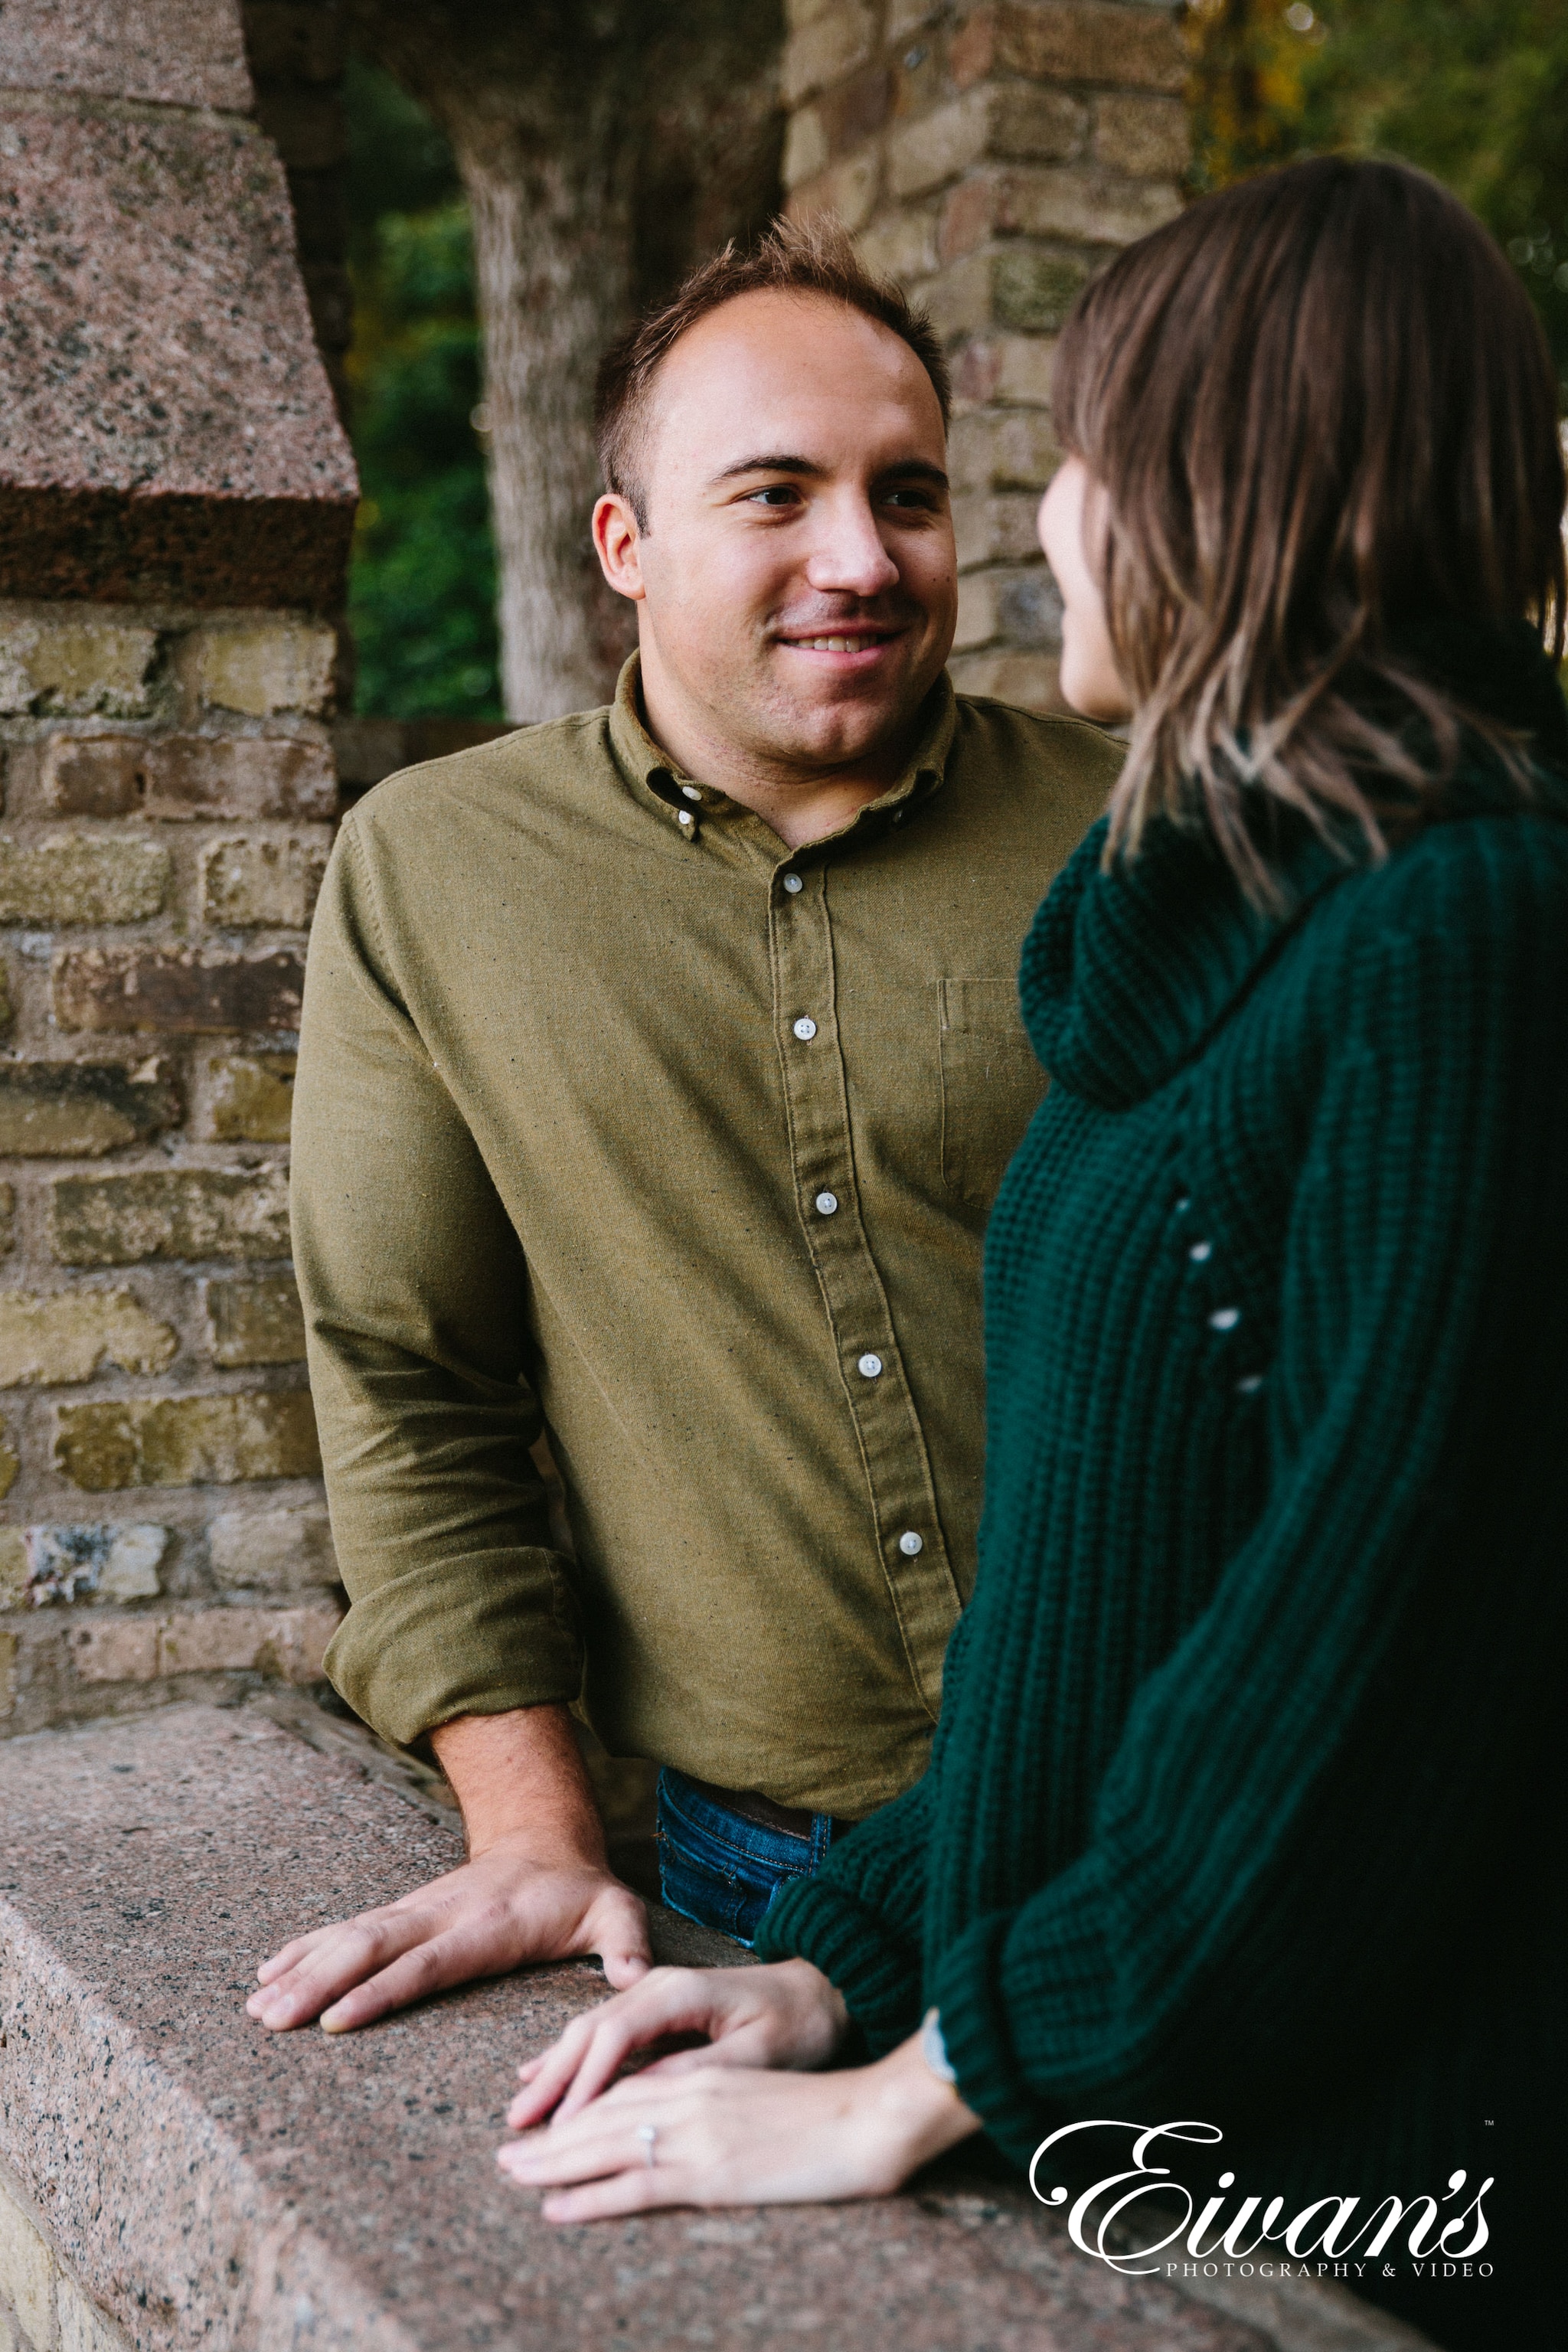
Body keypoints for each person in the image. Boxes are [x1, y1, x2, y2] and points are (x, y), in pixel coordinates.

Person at [494, 158, 1567, 2352]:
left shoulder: (1471, 935)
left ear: (1220, 485)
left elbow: (1365, 1670)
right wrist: (836, 1964)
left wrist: (938, 2081)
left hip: (1370, 2207)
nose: (1045, 520)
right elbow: (1099, 1617)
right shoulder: (1215, 945)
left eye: (1076, 456)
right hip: (1151, 2112)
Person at [251, 221, 1119, 2036]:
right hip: (763, 1880)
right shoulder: (437, 871)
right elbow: (410, 1378)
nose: (861, 559)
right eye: (777, 495)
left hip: (1181, 1808)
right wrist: (533, 1835)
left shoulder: (1139, 839)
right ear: (624, 547)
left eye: (909, 494)